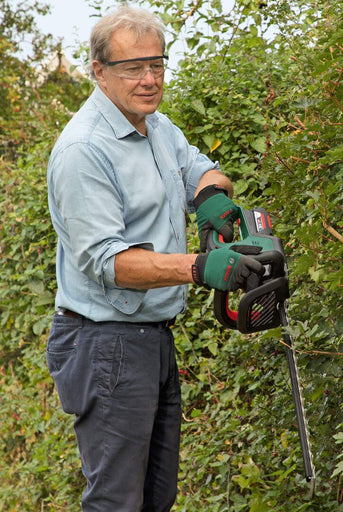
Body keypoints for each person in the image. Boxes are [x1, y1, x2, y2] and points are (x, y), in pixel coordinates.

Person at [46, 6, 262, 512]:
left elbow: (203, 171)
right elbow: (108, 261)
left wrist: (211, 200)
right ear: (99, 72)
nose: (149, 79)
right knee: (117, 502)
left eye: (157, 65)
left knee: (156, 498)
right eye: (132, 68)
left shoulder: (158, 127)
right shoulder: (84, 150)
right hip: (104, 344)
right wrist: (199, 266)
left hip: (150, 339)